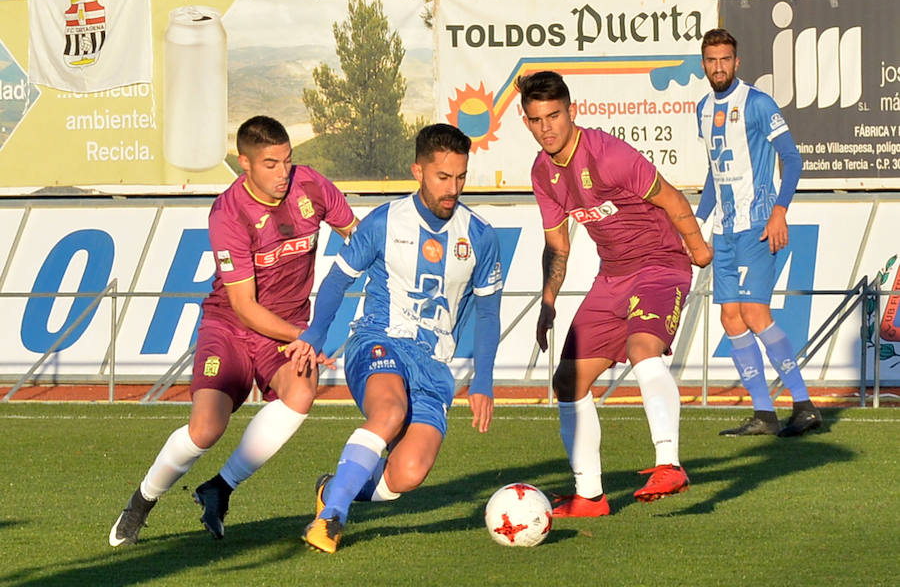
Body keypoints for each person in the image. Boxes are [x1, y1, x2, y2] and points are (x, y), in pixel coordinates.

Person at [108, 116, 358, 546]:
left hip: (287, 328)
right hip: (231, 325)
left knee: (300, 394)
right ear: (244, 162)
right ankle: (141, 503)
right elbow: (244, 306)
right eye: (269, 164)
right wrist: (305, 338)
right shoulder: (228, 212)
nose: (282, 174)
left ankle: (219, 489)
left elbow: (357, 235)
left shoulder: (312, 186)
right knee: (206, 429)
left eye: (286, 161)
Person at [285, 123, 502, 553]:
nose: (453, 188)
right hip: (378, 341)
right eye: (443, 177)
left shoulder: (480, 236)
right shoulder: (384, 222)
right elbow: (337, 280)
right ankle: (329, 520)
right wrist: (315, 333)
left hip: (433, 365)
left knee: (408, 472)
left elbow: (489, 312)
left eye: (461, 177)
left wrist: (482, 380)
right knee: (389, 412)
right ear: (417, 171)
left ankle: (336, 488)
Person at [516, 71, 712, 517]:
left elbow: (673, 198)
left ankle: (669, 464)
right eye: (536, 119)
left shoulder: (607, 153)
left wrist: (698, 250)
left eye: (554, 115)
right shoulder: (543, 173)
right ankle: (590, 496)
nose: (546, 127)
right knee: (567, 382)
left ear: (571, 111)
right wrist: (548, 302)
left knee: (643, 347)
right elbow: (558, 245)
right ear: (526, 123)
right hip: (613, 276)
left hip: (660, 262)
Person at [696, 29, 822, 437]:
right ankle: (764, 415)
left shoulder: (757, 103)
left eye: (725, 59)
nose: (719, 66)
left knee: (753, 312)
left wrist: (780, 211)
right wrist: (698, 225)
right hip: (724, 230)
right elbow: (716, 174)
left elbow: (792, 158)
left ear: (737, 62)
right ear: (704, 63)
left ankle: (803, 404)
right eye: (711, 59)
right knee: (730, 317)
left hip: (757, 224)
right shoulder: (702, 109)